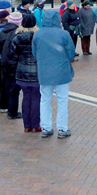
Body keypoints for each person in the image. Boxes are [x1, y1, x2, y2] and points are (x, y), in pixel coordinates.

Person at [32, 10, 76, 139]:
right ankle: (62, 128)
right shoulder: (64, 34)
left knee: (45, 100)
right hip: (61, 71)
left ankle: (46, 127)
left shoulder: (38, 34)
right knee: (62, 100)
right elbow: (71, 53)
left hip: (44, 72)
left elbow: (35, 54)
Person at [9, 15, 41, 132]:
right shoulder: (37, 37)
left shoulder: (17, 38)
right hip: (36, 72)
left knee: (26, 98)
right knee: (36, 98)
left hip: (22, 72)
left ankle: (27, 125)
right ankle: (36, 124)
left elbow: (12, 56)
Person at [0, 11, 22, 119]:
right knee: (14, 88)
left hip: (4, 61)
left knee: (6, 85)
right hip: (14, 62)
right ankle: (12, 112)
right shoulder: (17, 32)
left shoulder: (3, 31)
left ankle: (5, 108)